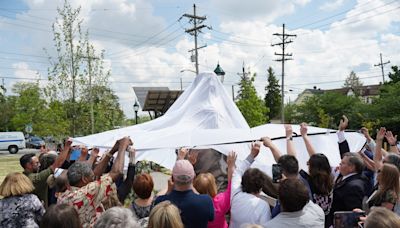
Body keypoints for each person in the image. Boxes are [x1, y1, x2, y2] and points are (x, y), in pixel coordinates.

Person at [57, 137, 131, 228]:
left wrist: (112, 151)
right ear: (84, 179)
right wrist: (122, 147)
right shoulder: (84, 193)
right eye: (91, 177)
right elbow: (117, 172)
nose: (94, 178)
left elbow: (96, 174)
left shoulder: (64, 196)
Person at [155, 159, 214, 228]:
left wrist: (168, 191)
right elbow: (211, 218)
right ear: (194, 177)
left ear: (172, 178)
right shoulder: (206, 201)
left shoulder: (160, 202)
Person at [230, 142, 272, 228]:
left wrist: (252, 155)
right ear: (261, 188)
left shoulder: (235, 194)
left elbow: (238, 172)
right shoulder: (263, 205)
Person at [20, 139, 71, 207]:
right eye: (37, 163)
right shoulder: (36, 178)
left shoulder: (23, 176)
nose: (39, 165)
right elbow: (58, 164)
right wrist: (66, 147)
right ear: (28, 165)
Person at [298, 123, 334, 217]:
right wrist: (304, 136)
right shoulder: (331, 178)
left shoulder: (306, 180)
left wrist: (290, 137)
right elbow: (317, 160)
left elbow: (290, 164)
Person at [193, 151, 237, 228]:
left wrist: (190, 161)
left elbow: (185, 182)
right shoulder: (220, 202)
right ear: (213, 186)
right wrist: (231, 165)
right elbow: (231, 184)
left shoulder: (191, 203)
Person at [327, 152, 370, 227]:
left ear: (352, 167)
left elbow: (352, 214)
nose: (340, 164)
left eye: (343, 163)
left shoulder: (353, 187)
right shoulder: (354, 177)